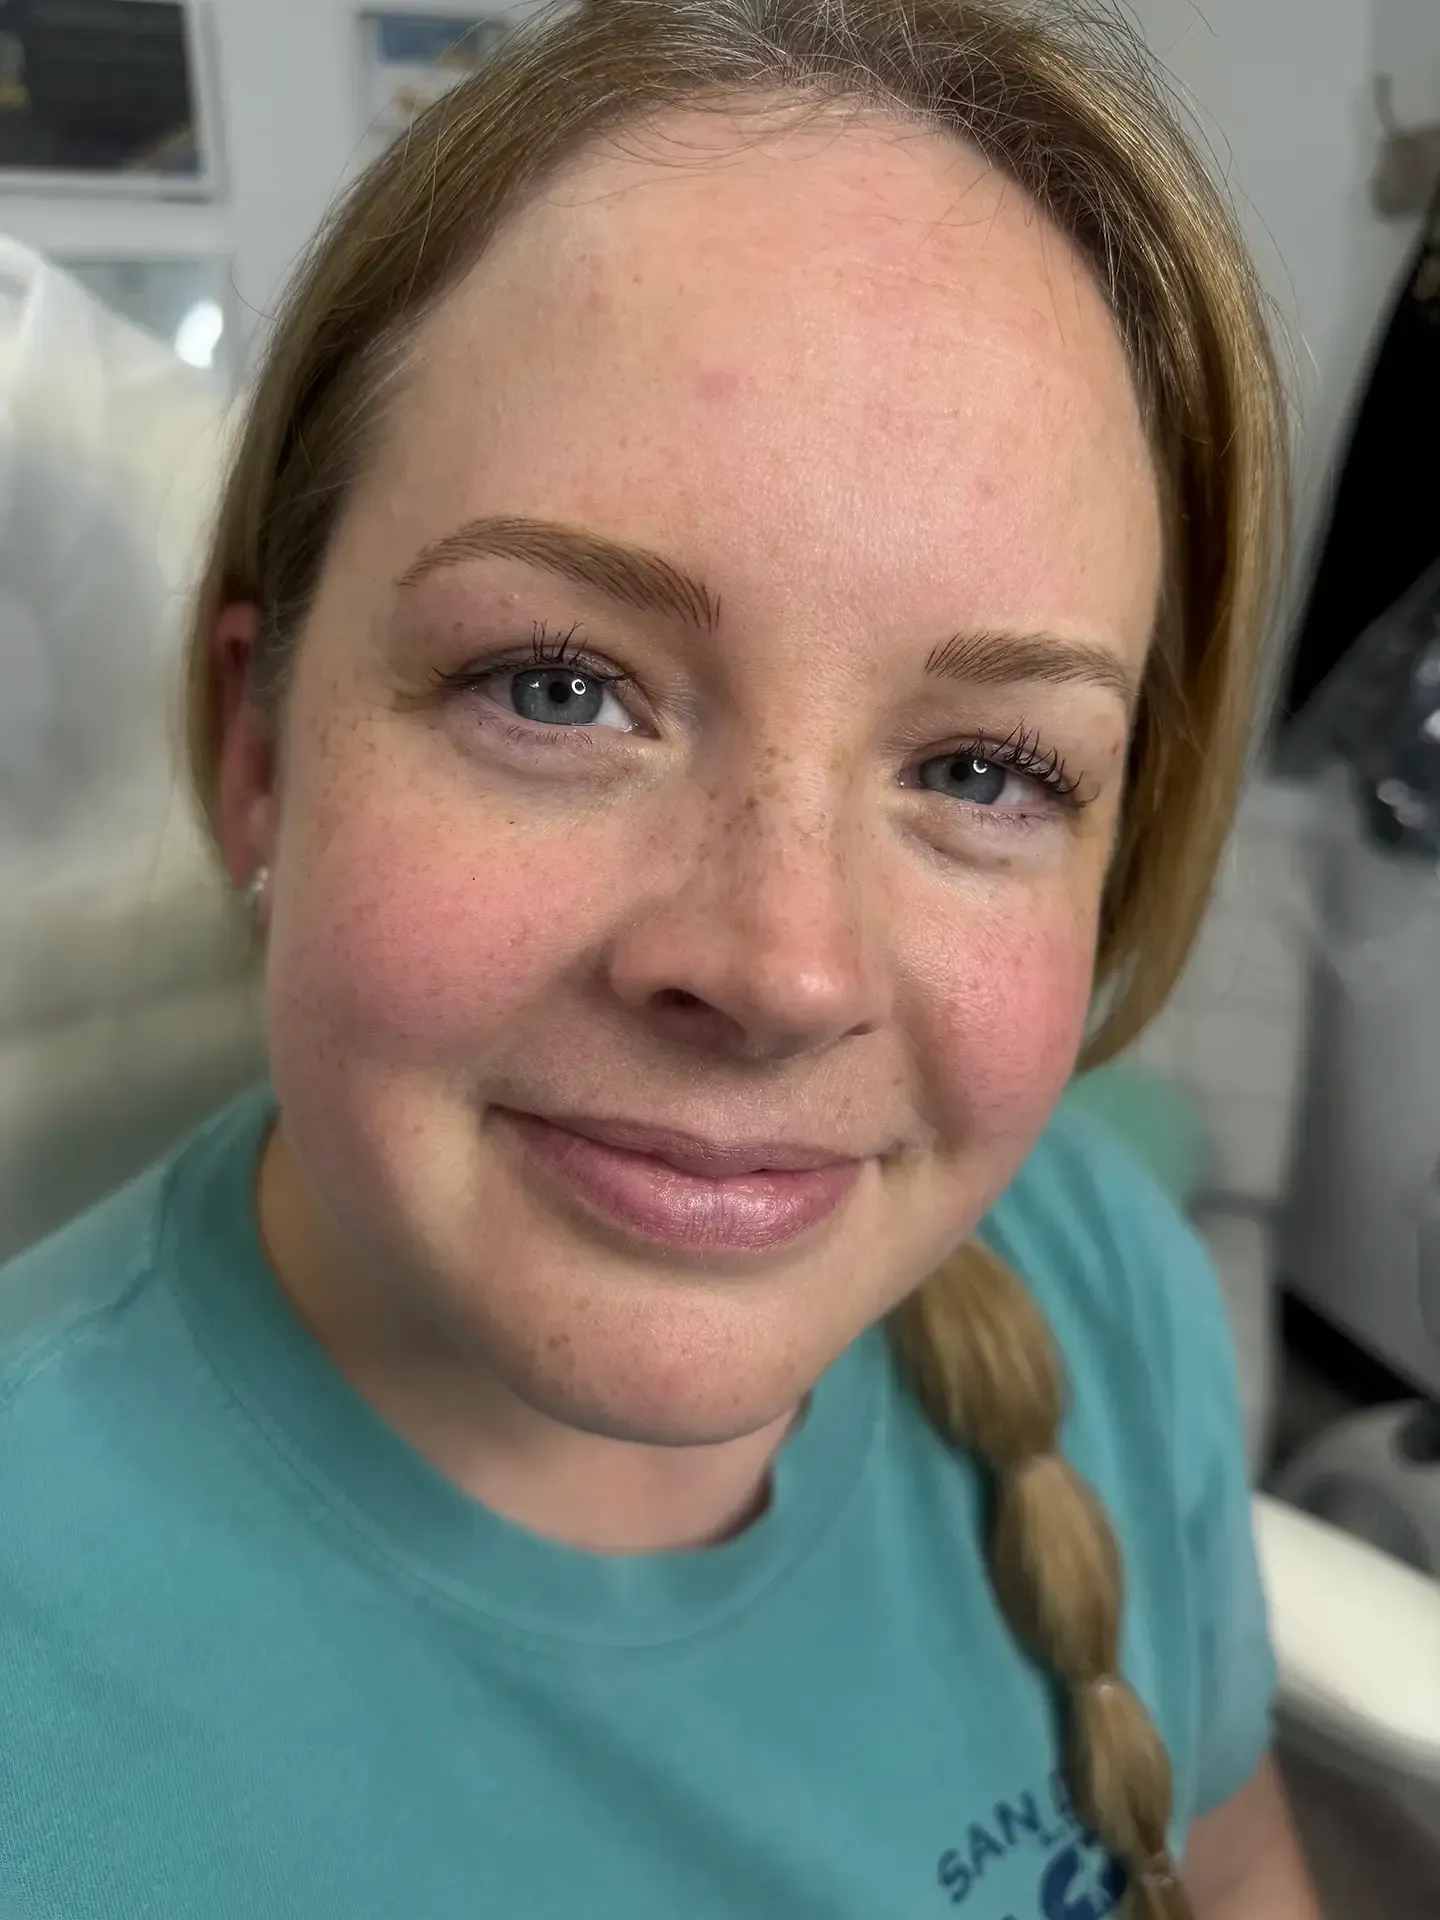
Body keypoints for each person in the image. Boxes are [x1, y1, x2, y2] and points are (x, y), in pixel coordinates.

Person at [0, 3, 1320, 1916]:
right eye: (558, 687)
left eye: (983, 767)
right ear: (259, 750)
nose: (782, 970)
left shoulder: (1097, 1279)